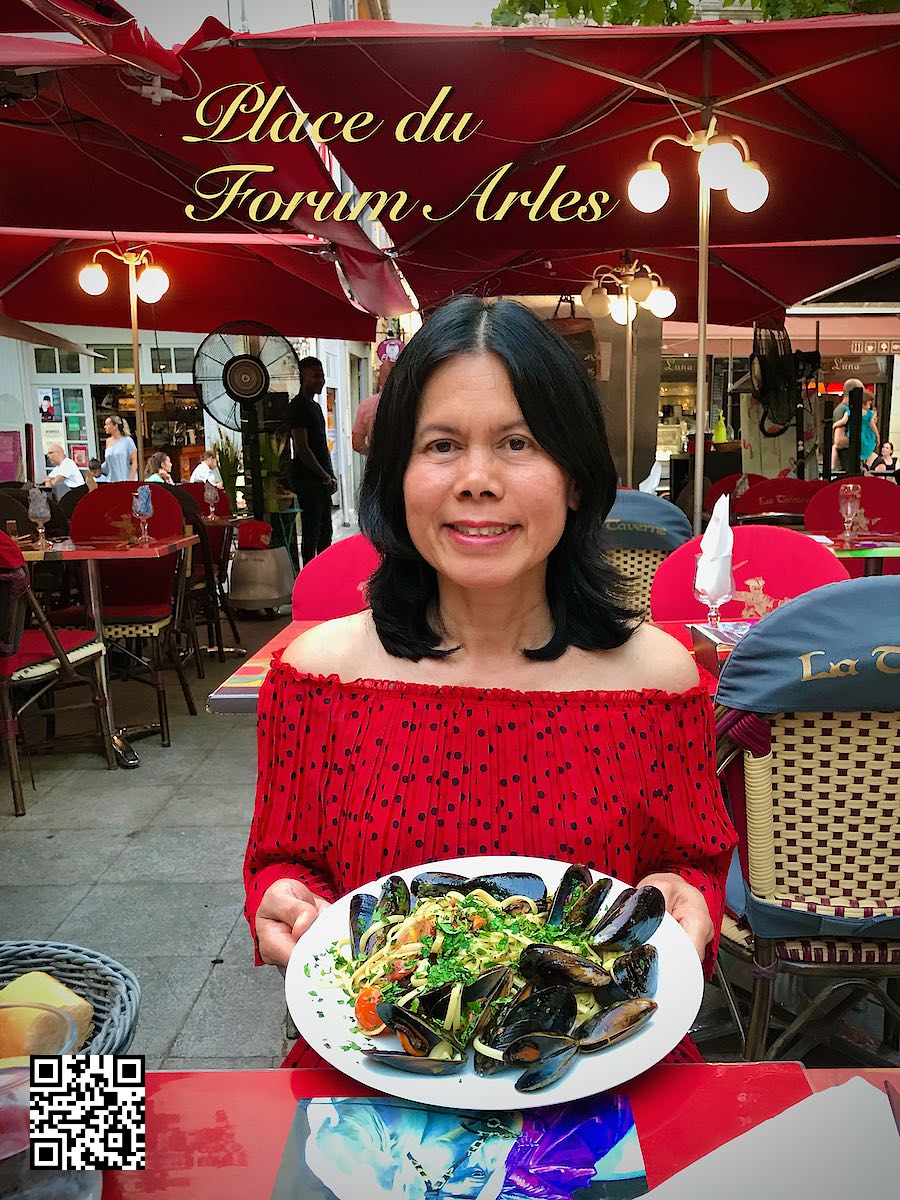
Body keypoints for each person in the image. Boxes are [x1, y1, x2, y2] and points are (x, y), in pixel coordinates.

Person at [244, 297, 737, 1068]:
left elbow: (695, 866)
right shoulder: (315, 676)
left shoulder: (662, 679)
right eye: (441, 445)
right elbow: (284, 863)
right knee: (91, 1182)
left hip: (602, 1085)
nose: (476, 480)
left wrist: (689, 896)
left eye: (517, 443)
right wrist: (280, 901)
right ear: (398, 476)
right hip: (372, 1086)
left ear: (575, 478)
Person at [287, 356, 337, 565]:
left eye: (322, 375)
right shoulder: (298, 407)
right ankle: (309, 574)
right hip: (308, 480)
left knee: (326, 531)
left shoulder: (315, 407)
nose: (320, 380)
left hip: (321, 479)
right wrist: (324, 475)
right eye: (315, 376)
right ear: (303, 377)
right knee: (312, 531)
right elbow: (302, 448)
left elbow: (320, 446)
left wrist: (329, 475)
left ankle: (324, 573)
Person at [351, 360, 394, 457]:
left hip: (379, 464)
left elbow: (357, 443)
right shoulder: (413, 403)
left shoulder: (367, 405)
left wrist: (374, 456)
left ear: (380, 380)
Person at [100, 415, 137, 482]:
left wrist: (131, 480)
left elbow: (134, 462)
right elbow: (108, 463)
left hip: (126, 479)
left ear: (115, 426)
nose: (105, 427)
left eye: (107, 425)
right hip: (111, 481)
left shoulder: (128, 441)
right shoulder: (108, 441)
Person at [860, 393, 879, 469]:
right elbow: (872, 425)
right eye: (869, 404)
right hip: (866, 436)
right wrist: (877, 436)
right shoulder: (869, 414)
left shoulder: (850, 411)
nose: (869, 406)